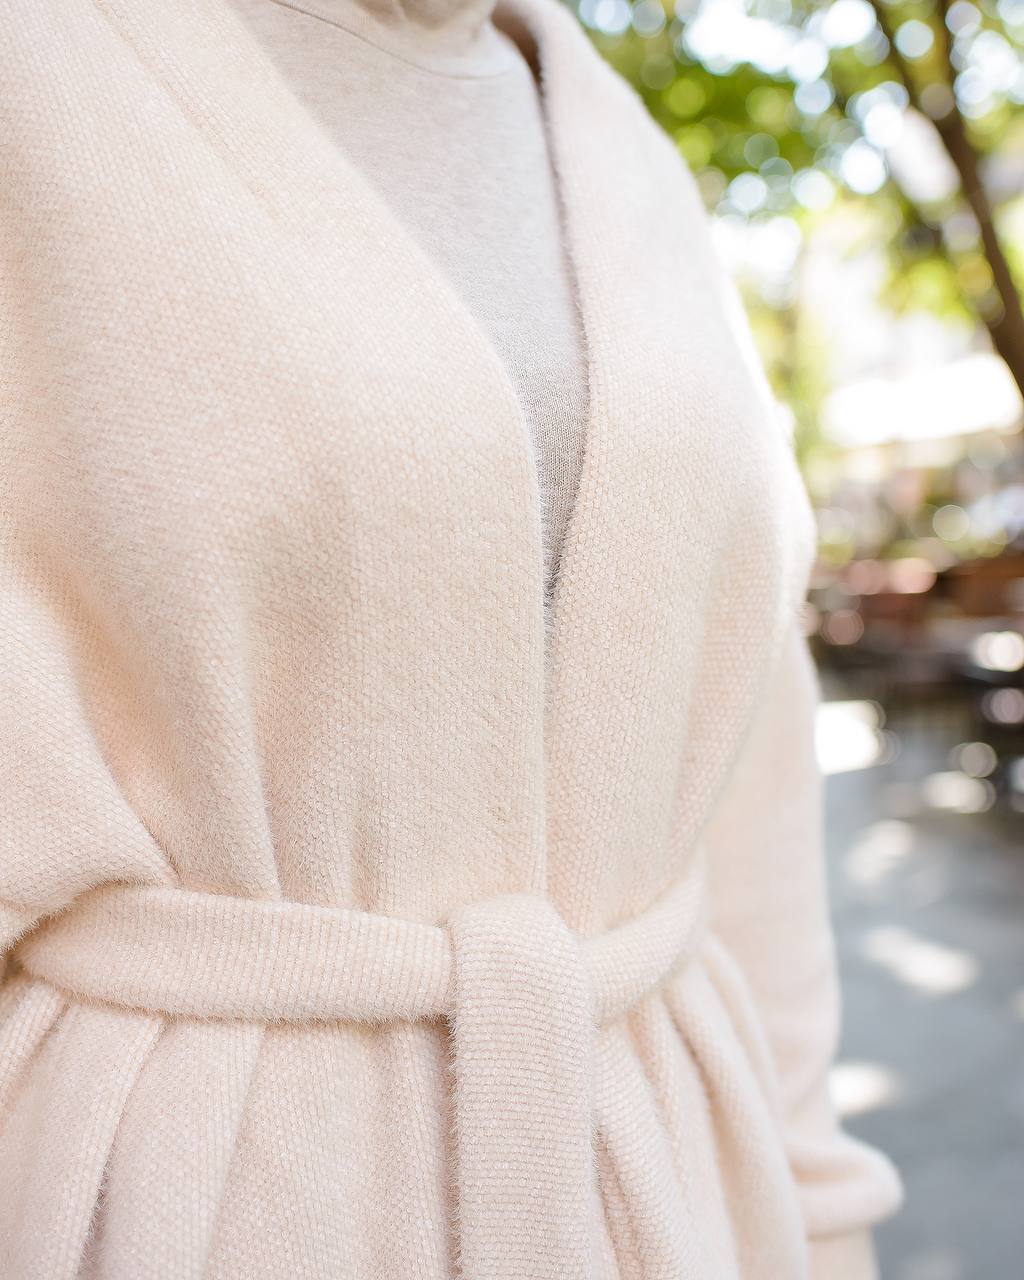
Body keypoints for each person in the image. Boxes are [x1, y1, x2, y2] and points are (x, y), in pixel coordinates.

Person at [0, 0, 903, 1276]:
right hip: (181, 1207)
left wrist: (819, 1219)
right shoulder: (40, 75)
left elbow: (750, 796)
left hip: (675, 1195)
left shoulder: (630, 151)